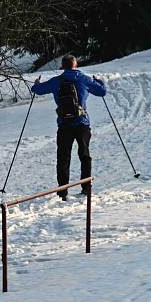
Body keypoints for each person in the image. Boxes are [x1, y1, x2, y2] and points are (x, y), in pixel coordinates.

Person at [31, 54, 107, 200]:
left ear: (63, 66)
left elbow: (37, 90)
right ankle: (86, 188)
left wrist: (36, 83)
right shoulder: (84, 79)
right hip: (82, 122)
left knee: (63, 157)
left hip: (64, 125)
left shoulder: (57, 81)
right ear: (75, 64)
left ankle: (63, 192)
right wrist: (99, 81)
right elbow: (102, 91)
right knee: (84, 154)